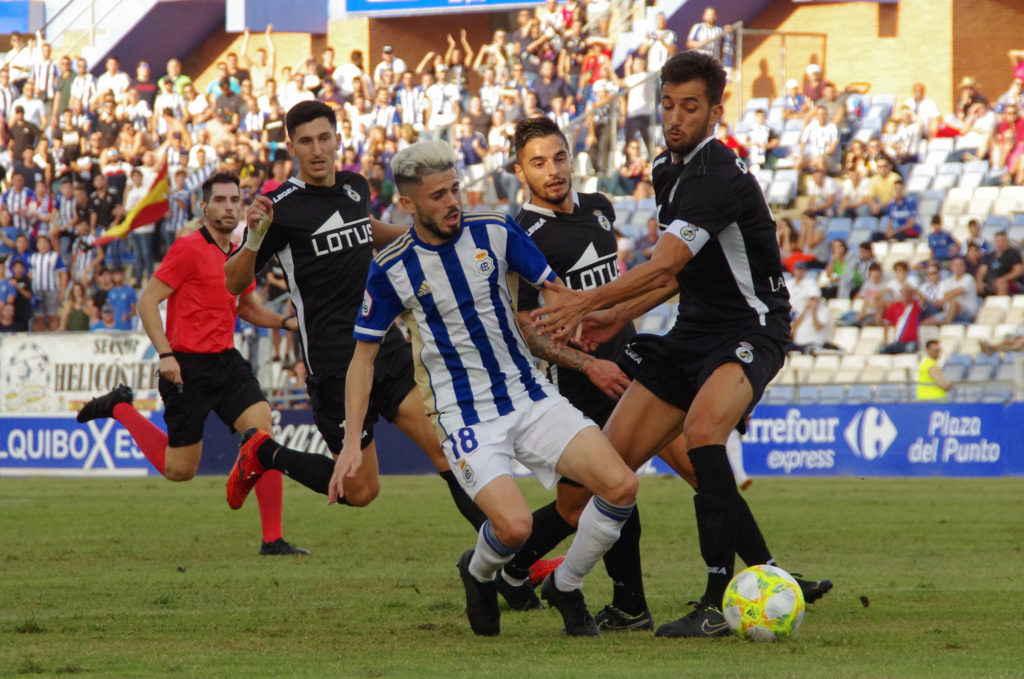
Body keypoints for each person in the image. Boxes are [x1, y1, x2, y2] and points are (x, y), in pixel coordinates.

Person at [530, 52, 827, 638]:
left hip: (751, 327)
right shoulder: (669, 171)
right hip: (692, 332)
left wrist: (586, 304)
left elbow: (666, 260)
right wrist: (616, 315)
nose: (674, 117)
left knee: (704, 435)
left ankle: (716, 603)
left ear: (716, 111)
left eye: (689, 107)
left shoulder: (718, 173)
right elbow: (673, 277)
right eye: (667, 104)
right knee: (605, 472)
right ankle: (552, 582)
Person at [341, 139, 637, 637]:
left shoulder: (496, 230)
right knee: (515, 528)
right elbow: (362, 359)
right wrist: (351, 440)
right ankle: (477, 573)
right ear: (408, 204)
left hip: (529, 395)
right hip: (463, 416)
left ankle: (566, 584)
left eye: (456, 188)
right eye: (438, 195)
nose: (453, 201)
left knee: (621, 486)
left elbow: (554, 290)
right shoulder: (391, 267)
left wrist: (577, 321)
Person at [222, 101, 488, 532]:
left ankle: (511, 565)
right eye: (306, 141)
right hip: (334, 365)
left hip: (384, 342)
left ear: (338, 138)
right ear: (292, 147)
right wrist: (253, 237)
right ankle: (264, 453)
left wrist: (424, 234)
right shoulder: (278, 207)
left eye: (324, 138)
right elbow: (234, 284)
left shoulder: (353, 186)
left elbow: (366, 231)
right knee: (362, 491)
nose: (317, 149)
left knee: (447, 451)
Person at [75, 173, 307, 555]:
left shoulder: (239, 253)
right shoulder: (187, 248)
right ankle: (120, 407)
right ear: (204, 207)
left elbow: (246, 308)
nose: (229, 206)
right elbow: (147, 301)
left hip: (226, 362)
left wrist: (285, 321)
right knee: (180, 470)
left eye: (235, 199)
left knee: (262, 434)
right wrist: (166, 355)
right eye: (221, 200)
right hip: (185, 366)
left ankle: (272, 540)